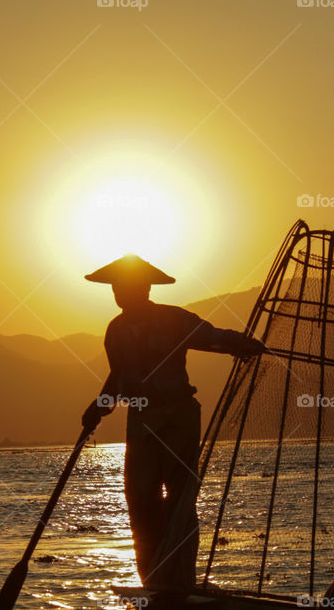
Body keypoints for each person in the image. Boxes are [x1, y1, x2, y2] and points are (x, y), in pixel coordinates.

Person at [81, 253, 265, 591]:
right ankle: (152, 582)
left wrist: (240, 343)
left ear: (147, 288)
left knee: (180, 501)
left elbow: (211, 337)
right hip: (142, 419)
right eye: (117, 289)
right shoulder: (116, 330)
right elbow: (119, 378)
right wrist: (100, 406)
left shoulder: (174, 320)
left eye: (129, 288)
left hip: (178, 416)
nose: (121, 295)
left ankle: (181, 583)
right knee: (140, 499)